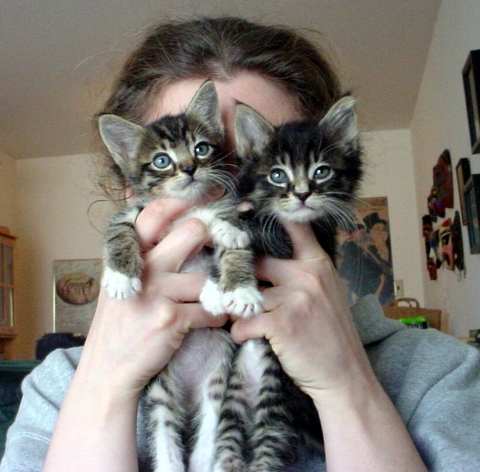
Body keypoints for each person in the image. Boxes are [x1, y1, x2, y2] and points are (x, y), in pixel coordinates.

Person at [2, 17, 480, 472]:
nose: (232, 198)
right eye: (210, 166)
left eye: (265, 162)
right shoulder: (62, 385)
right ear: (134, 188)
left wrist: (347, 385)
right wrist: (105, 385)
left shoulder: (436, 370)